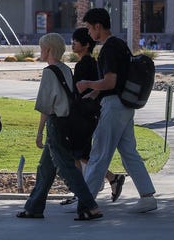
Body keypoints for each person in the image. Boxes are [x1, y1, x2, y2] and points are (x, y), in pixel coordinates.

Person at [76, 8, 157, 213]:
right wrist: (94, 93)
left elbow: (110, 82)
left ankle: (87, 202)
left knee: (99, 153)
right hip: (126, 106)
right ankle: (147, 197)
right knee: (129, 153)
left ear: (98, 26)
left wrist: (87, 84)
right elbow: (118, 80)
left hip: (114, 106)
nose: (88, 33)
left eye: (89, 28)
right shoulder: (120, 44)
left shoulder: (109, 49)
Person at [17, 33, 102, 221]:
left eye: (42, 48)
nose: (40, 51)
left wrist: (39, 132)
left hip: (56, 124)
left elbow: (46, 107)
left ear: (48, 50)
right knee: (45, 168)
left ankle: (90, 206)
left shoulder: (49, 72)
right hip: (67, 124)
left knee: (67, 169)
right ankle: (34, 207)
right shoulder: (65, 69)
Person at [61, 28, 125, 211]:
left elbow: (80, 91)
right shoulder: (92, 62)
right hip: (91, 111)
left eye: (76, 41)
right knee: (82, 152)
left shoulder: (84, 64)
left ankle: (84, 189)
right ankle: (109, 179)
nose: (72, 44)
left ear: (86, 44)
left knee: (79, 152)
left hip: (84, 113)